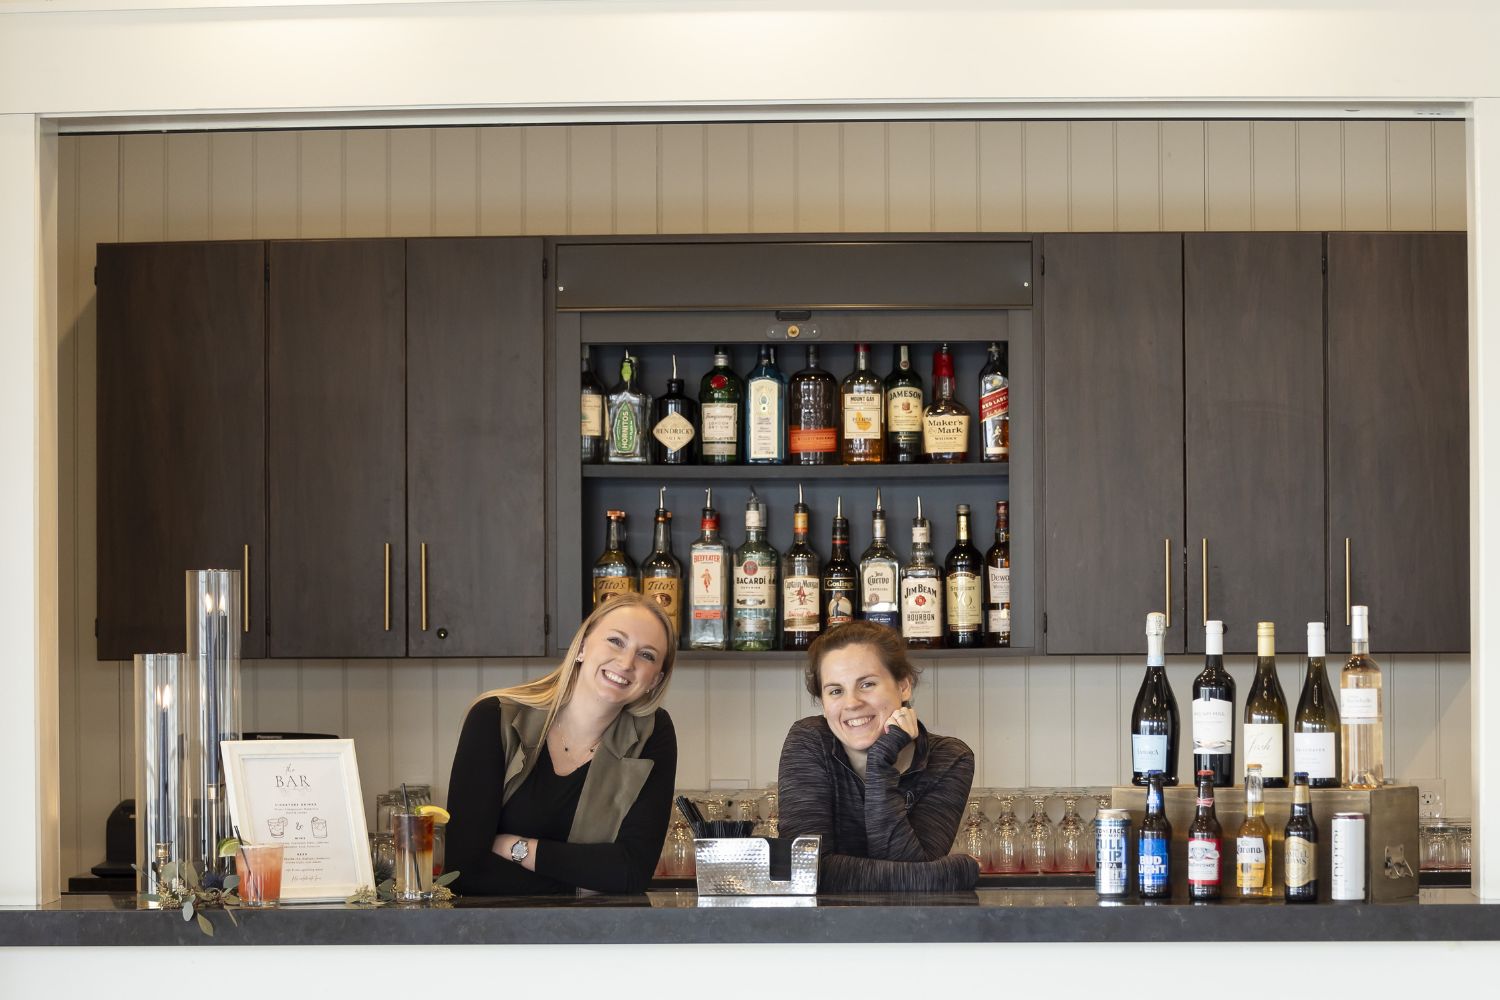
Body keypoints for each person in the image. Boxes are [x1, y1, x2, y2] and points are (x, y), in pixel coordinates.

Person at [445, 593, 678, 895]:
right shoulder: (495, 717)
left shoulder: (653, 734)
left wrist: (518, 848)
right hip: (495, 934)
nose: (626, 662)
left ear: (655, 681)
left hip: (599, 938)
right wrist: (586, 882)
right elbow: (463, 871)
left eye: (646, 655)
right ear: (582, 646)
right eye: (616, 641)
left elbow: (632, 872)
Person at [778, 620, 979, 891]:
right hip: (822, 930)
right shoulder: (810, 741)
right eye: (836, 691)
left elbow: (910, 873)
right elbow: (805, 871)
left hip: (913, 928)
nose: (851, 703)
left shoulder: (950, 759)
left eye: (867, 684)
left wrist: (880, 762)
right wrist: (952, 873)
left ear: (904, 686)